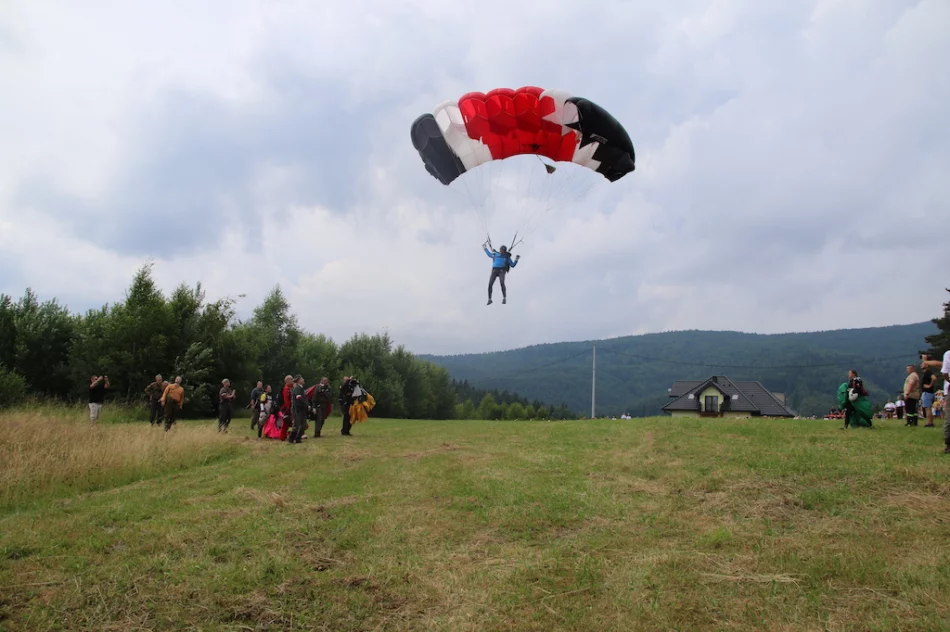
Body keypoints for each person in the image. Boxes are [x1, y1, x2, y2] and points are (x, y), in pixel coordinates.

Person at [922, 351, 950, 454]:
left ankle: (949, 444)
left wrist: (926, 361)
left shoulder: (948, 354)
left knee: (948, 416)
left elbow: (943, 369)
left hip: (947, 390)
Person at [289, 375, 309, 444]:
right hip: (298, 409)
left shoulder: (301, 388)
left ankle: (298, 438)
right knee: (297, 424)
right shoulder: (297, 389)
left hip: (302, 409)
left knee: (303, 424)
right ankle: (292, 438)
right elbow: (299, 399)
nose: (303, 380)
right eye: (302, 379)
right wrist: (306, 405)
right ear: (298, 381)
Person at [920, 361, 936, 427]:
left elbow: (934, 378)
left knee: (927, 408)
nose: (921, 365)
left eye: (923, 364)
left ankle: (930, 423)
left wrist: (930, 385)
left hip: (927, 392)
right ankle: (930, 422)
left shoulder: (928, 372)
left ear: (927, 365)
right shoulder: (926, 373)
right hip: (928, 392)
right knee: (927, 408)